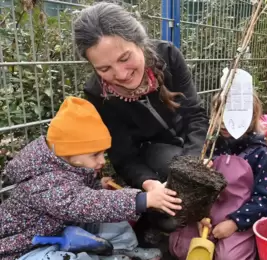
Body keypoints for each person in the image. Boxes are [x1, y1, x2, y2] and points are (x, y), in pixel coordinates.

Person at [0, 97, 182, 260]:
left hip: (60, 229)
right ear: (68, 151)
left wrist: (96, 186)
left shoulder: (68, 162)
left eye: (103, 153)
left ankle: (126, 248)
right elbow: (83, 203)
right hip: (22, 252)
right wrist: (142, 200)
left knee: (114, 219)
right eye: (96, 155)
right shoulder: (42, 179)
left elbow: (76, 193)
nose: (102, 161)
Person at [73, 2, 208, 232]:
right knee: (173, 216)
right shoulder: (97, 94)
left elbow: (195, 114)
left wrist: (195, 160)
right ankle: (154, 215)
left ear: (139, 42)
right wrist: (150, 185)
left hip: (188, 144)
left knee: (218, 177)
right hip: (152, 154)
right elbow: (124, 157)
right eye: (104, 69)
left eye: (125, 58)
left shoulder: (168, 56)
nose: (121, 74)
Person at [169, 93, 267, 260]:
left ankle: (234, 250)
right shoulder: (207, 147)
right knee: (180, 250)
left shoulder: (259, 154)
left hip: (239, 218)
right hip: (204, 217)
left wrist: (235, 223)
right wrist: (198, 215)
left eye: (232, 116)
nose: (224, 122)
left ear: (250, 117)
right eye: (220, 114)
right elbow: (193, 188)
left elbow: (263, 199)